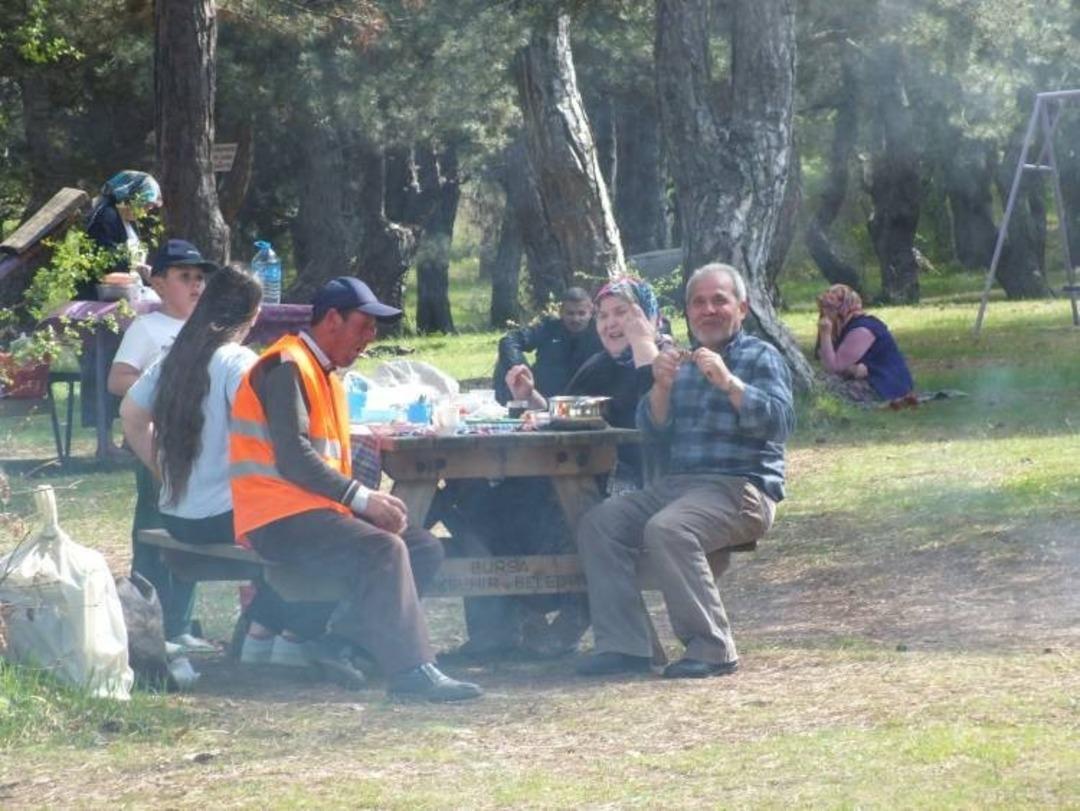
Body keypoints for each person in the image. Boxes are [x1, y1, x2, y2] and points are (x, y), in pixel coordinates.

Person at [229, 276, 482, 702]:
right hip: (276, 518)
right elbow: (293, 458)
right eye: (364, 326)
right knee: (385, 548)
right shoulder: (286, 365)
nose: (370, 338)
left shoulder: (324, 372)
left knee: (422, 547)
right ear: (332, 319)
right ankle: (411, 671)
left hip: (313, 512)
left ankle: (342, 644)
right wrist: (363, 499)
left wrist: (361, 503)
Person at [575, 263, 795, 679]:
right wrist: (659, 387)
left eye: (719, 300)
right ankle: (627, 646)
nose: (708, 310)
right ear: (689, 312)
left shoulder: (760, 356)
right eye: (699, 302)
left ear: (742, 308)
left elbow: (780, 423)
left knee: (669, 528)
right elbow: (654, 434)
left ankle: (712, 648)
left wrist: (730, 383)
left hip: (742, 489)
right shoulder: (682, 361)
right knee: (599, 523)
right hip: (679, 486)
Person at [441, 277, 666, 658]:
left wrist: (645, 343)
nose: (611, 324)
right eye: (604, 315)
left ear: (649, 316)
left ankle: (570, 618)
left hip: (640, 481)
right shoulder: (600, 364)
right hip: (581, 470)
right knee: (477, 497)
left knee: (570, 507)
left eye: (623, 314)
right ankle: (501, 624)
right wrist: (530, 398)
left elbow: (656, 421)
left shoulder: (666, 361)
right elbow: (564, 413)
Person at [111, 238, 218, 652]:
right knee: (154, 528)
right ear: (158, 282)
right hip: (154, 442)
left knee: (188, 528)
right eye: (184, 277)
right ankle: (149, 622)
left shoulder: (207, 330)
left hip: (199, 447)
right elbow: (117, 379)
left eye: (199, 278)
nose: (195, 285)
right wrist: (163, 388)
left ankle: (181, 623)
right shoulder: (148, 328)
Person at [79, 170, 163, 459]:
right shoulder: (106, 218)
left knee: (135, 366)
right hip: (104, 306)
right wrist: (136, 273)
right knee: (106, 368)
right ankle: (106, 442)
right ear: (132, 196)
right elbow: (104, 268)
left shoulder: (127, 223)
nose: (149, 209)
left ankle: (131, 436)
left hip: (128, 306)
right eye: (147, 203)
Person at [493, 286, 602, 404]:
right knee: (506, 360)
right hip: (541, 397)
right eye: (570, 313)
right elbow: (509, 341)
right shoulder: (548, 328)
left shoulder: (601, 332)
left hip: (586, 398)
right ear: (561, 312)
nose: (576, 319)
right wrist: (521, 371)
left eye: (581, 313)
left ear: (591, 312)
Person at [816, 284, 915, 405]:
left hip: (884, 384)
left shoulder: (862, 329)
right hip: (868, 378)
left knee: (821, 391)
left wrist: (825, 334)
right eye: (824, 308)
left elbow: (833, 367)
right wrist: (851, 370)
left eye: (830, 309)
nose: (825, 313)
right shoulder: (841, 328)